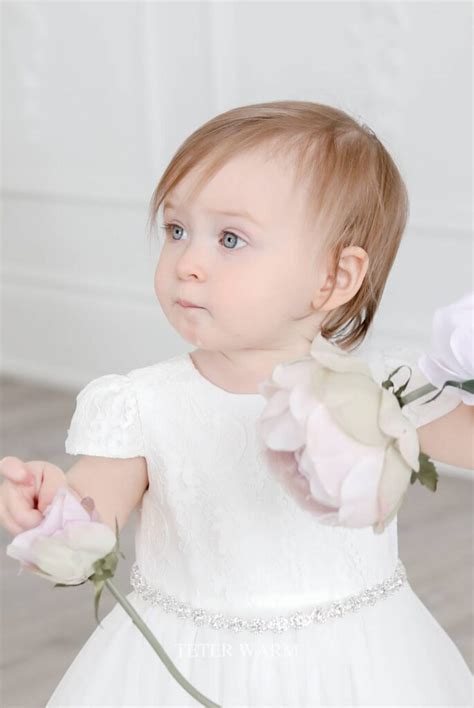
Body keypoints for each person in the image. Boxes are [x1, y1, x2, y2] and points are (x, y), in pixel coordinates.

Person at [1, 100, 472, 706]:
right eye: (176, 230)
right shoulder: (142, 403)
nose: (188, 264)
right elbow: (92, 516)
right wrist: (52, 511)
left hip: (359, 663)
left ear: (334, 278)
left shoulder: (386, 392)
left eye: (230, 238)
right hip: (189, 661)